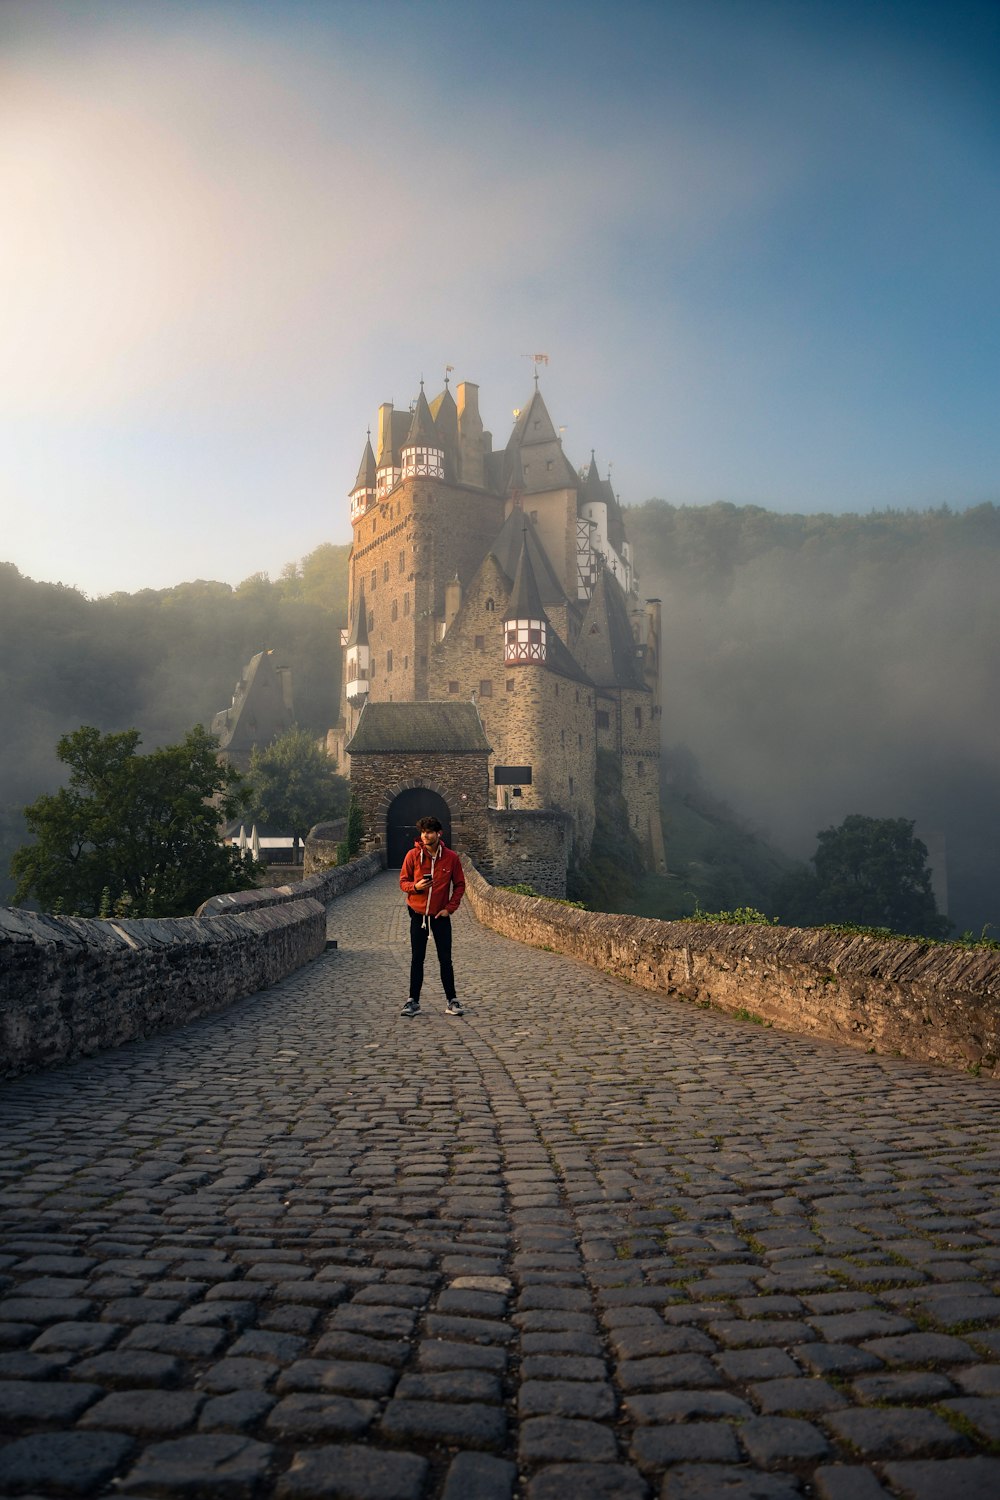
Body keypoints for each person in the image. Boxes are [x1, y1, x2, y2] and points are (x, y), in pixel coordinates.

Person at [399, 816, 465, 1017]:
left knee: (445, 959)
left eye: (429, 832)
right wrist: (416, 887)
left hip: (440, 916)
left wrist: (450, 908)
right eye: (422, 832)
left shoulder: (451, 858)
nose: (425, 836)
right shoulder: (412, 855)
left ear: (439, 834)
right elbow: (403, 882)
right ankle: (413, 1001)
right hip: (418, 915)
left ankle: (452, 1000)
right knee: (417, 959)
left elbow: (460, 885)